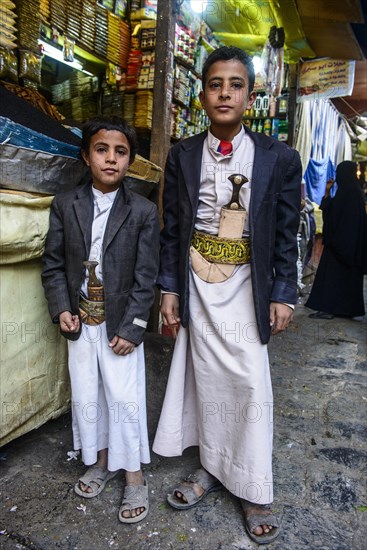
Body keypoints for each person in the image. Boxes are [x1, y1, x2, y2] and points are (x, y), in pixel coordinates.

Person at [152, 46, 302, 544]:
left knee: (250, 382)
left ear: (249, 95)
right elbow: (173, 227)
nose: (224, 93)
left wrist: (284, 291)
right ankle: (213, 468)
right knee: (204, 380)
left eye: (235, 85)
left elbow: (286, 232)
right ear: (202, 95)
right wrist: (169, 289)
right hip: (196, 280)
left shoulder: (278, 157)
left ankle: (254, 484)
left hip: (246, 282)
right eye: (215, 84)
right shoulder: (183, 154)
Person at [42, 115, 160, 523]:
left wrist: (134, 328)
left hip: (119, 323)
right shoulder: (66, 204)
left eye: (121, 152)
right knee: (89, 396)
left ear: (130, 161)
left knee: (124, 399)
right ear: (86, 155)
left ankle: (133, 476)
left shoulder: (143, 211)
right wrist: (61, 309)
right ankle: (101, 460)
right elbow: (54, 264)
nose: (111, 159)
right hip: (81, 320)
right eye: (102, 149)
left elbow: (147, 278)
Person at [306, 160, 367, 319]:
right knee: (345, 278)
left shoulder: (351, 193)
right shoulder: (351, 191)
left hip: (342, 246)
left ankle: (328, 309)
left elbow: (343, 220)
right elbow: (333, 212)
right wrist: (327, 193)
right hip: (346, 246)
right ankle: (345, 310)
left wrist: (336, 241)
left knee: (332, 277)